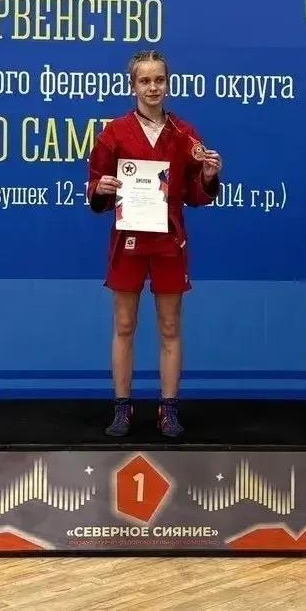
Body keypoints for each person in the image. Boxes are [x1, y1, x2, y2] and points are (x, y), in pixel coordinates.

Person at [86, 49, 221, 438]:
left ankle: (169, 408)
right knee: (124, 323)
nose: (152, 87)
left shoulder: (185, 134)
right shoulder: (114, 132)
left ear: (168, 83)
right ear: (132, 86)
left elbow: (196, 193)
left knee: (169, 325)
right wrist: (102, 187)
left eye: (159, 80)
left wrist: (208, 175)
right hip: (128, 238)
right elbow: (95, 186)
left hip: (168, 240)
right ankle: (122, 407)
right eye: (144, 81)